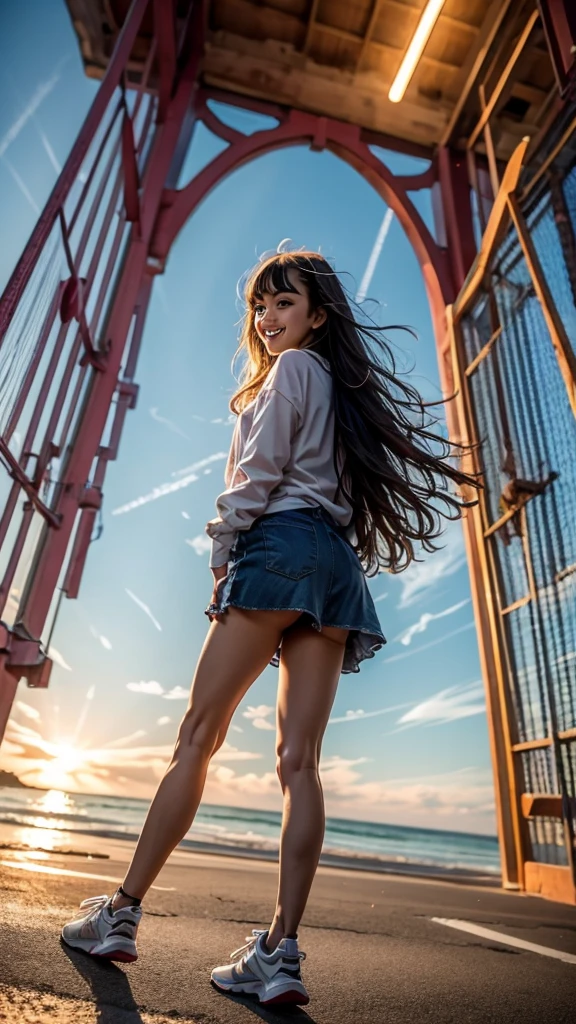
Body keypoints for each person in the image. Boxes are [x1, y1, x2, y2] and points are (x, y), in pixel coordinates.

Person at [61, 250, 479, 1006]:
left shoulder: (290, 374)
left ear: (317, 315)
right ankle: (280, 954)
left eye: (284, 304)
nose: (268, 319)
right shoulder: (338, 389)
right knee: (300, 763)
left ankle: (118, 916)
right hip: (332, 565)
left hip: (278, 547)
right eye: (261, 307)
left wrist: (224, 553)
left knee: (197, 737)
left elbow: (257, 476)